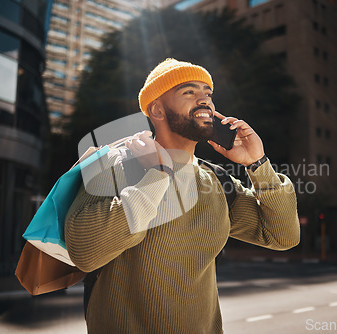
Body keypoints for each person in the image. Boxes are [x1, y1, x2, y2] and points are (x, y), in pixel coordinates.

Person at [65, 58, 300, 333]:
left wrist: (257, 164)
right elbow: (83, 251)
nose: (205, 101)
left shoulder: (216, 182)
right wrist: (158, 174)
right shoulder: (114, 164)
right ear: (157, 110)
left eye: (208, 93)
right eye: (189, 92)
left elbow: (283, 236)